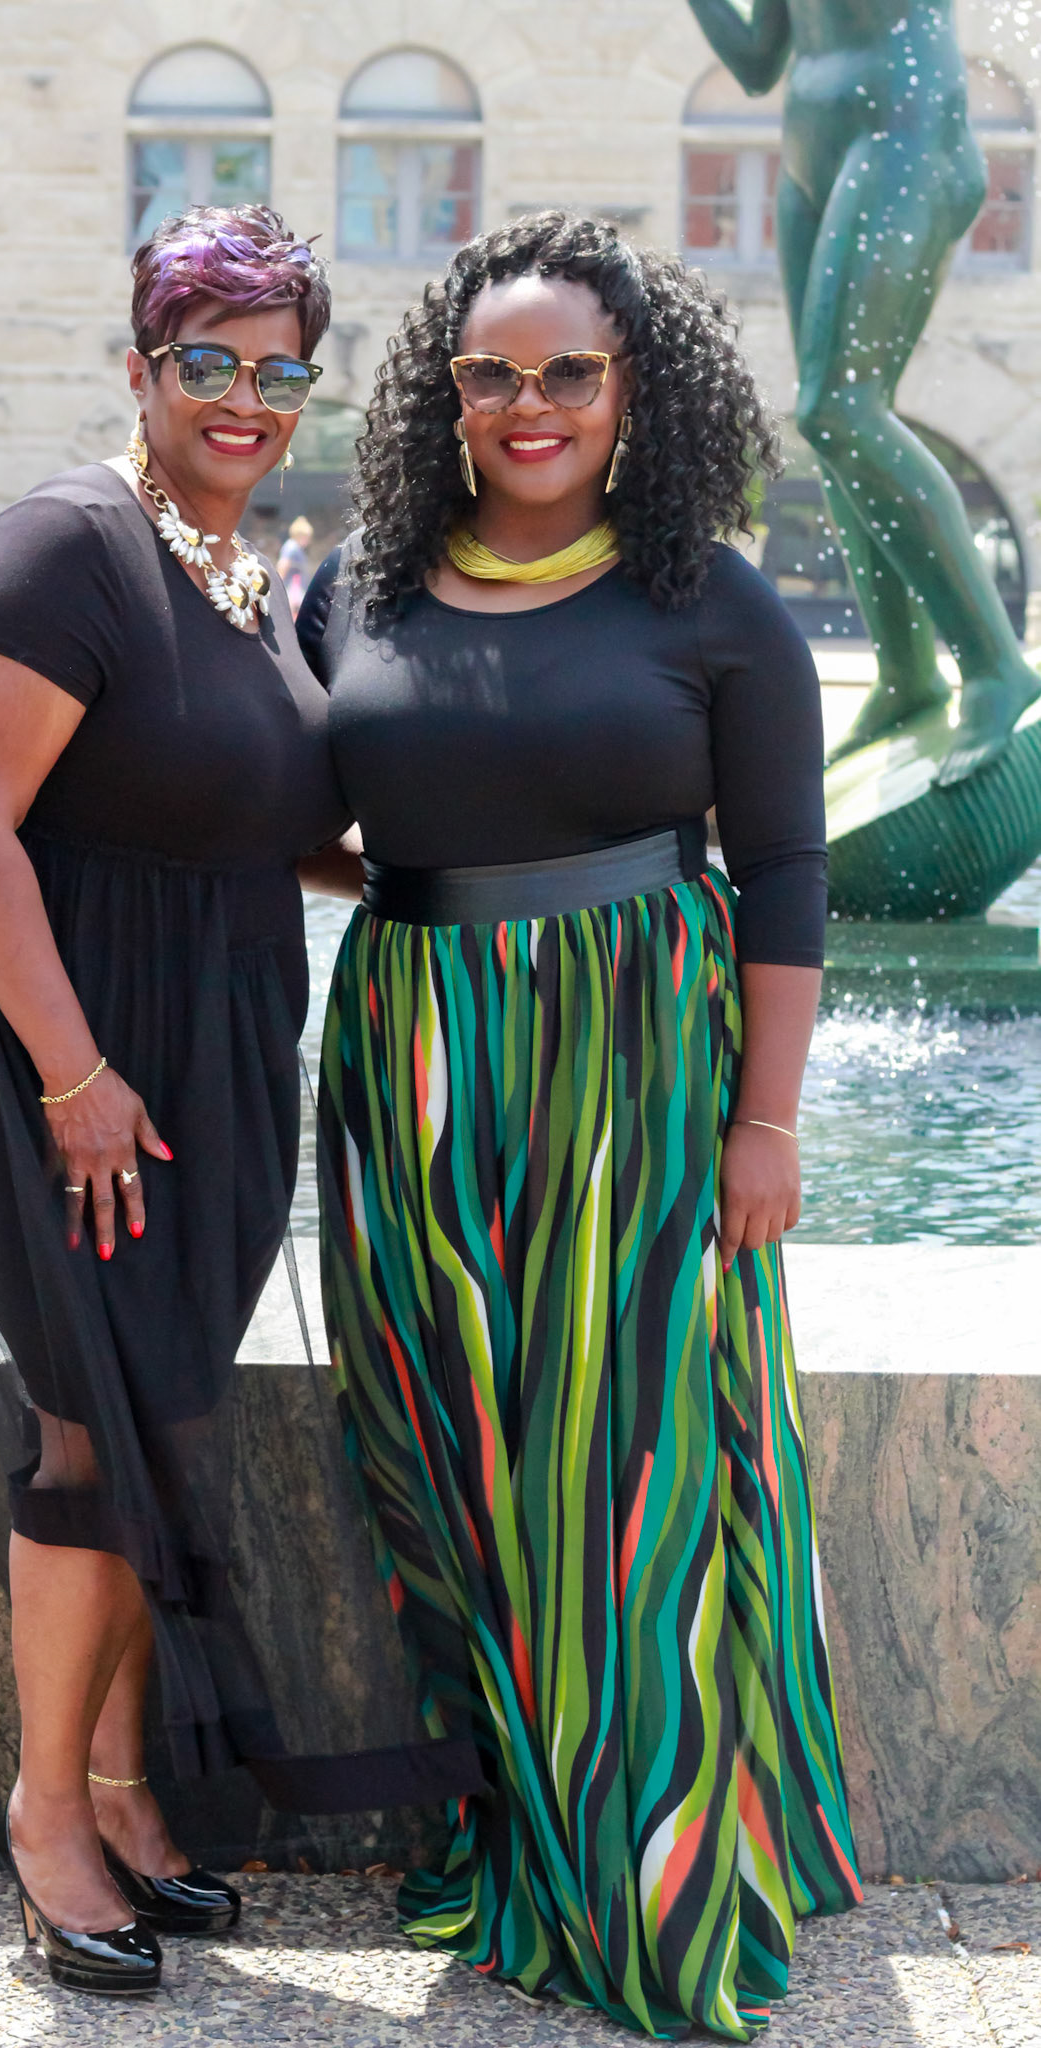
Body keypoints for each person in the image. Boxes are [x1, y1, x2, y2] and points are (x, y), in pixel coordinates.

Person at [298, 211, 862, 2040]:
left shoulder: (711, 599)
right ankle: (518, 1830)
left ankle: (655, 1877)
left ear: (637, 389)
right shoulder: (362, 586)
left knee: (626, 1472)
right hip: (414, 1062)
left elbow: (785, 870)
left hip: (634, 1065)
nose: (527, 404)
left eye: (569, 372)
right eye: (491, 372)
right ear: (443, 392)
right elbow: (311, 812)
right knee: (451, 1461)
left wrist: (766, 1123)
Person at [0, 205, 354, 1998]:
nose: (244, 397)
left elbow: (241, 812)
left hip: (208, 1031)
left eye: (278, 370)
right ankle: (47, 1816)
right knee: (93, 1413)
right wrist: (73, 1075)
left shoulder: (238, 566)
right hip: (64, 1029)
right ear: (141, 366)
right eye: (207, 361)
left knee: (160, 1406)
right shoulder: (63, 544)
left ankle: (121, 1779)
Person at [688, 0, 1039, 784]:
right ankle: (906, 676)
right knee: (835, 430)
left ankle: (993, 665)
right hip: (809, 158)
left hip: (906, 138)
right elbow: (756, 63)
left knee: (837, 408)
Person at [278, 514, 315, 616]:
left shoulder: (297, 548)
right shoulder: (291, 546)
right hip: (292, 590)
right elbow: (283, 565)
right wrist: (278, 587)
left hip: (297, 590)